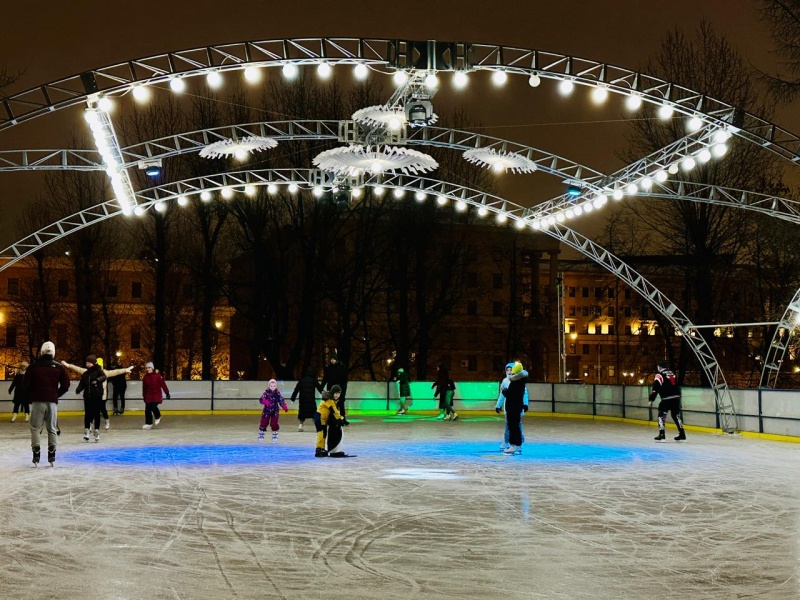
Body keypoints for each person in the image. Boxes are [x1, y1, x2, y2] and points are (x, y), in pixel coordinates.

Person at [23, 341, 70, 467]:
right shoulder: (59, 367)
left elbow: (25, 385)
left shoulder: (33, 367)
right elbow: (66, 385)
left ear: (42, 352)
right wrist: (55, 395)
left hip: (38, 401)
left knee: (35, 428)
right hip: (52, 402)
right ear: (53, 352)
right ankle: (52, 453)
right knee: (52, 429)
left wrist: (32, 396)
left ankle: (36, 452)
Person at [61, 356, 132, 430]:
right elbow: (79, 369)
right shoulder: (88, 372)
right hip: (92, 395)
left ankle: (106, 420)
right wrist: (68, 365)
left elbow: (116, 372)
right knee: (91, 409)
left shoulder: (105, 372)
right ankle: (91, 423)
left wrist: (125, 370)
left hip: (102, 395)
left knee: (102, 409)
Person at [496, 362, 529, 451]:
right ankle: (512, 442)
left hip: (513, 407)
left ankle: (513, 444)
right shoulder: (510, 380)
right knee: (512, 426)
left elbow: (514, 394)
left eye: (512, 370)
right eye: (508, 370)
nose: (510, 372)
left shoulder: (515, 381)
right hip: (514, 406)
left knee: (513, 426)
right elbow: (503, 396)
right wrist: (498, 405)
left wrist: (525, 404)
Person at [649, 362, 686, 442]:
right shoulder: (672, 373)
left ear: (659, 367)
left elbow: (656, 387)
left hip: (666, 398)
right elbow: (676, 385)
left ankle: (662, 435)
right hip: (676, 397)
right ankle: (682, 434)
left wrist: (651, 399)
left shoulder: (659, 375)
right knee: (675, 415)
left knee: (661, 415)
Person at [75, 355, 107, 443]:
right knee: (88, 414)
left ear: (93, 363)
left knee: (96, 413)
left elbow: (104, 377)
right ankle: (86, 430)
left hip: (97, 396)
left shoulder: (99, 371)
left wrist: (97, 380)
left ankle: (96, 430)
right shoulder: (85, 374)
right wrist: (79, 389)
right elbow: (82, 383)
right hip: (87, 396)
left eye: (89, 363)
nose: (87, 364)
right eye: (86, 363)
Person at [314, 387, 346, 457]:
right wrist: (340, 419)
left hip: (323, 419)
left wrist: (341, 418)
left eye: (339, 394)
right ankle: (318, 450)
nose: (337, 395)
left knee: (324, 433)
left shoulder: (332, 400)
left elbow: (335, 411)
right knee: (321, 433)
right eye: (336, 393)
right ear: (332, 393)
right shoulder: (329, 400)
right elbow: (334, 411)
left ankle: (322, 448)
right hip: (319, 418)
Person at [320, 353, 348, 424]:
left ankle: (343, 418)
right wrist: (321, 388)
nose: (332, 361)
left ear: (336, 360)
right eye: (331, 359)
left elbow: (344, 380)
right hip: (331, 389)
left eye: (333, 359)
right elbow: (325, 379)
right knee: (331, 404)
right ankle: (330, 419)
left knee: (341, 403)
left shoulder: (341, 368)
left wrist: (343, 390)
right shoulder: (328, 368)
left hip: (339, 389)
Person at [142, 362, 170, 430]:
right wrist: (144, 396)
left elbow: (163, 385)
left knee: (153, 406)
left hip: (156, 395)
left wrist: (167, 393)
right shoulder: (145, 377)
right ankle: (149, 423)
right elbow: (144, 388)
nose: (148, 369)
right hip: (148, 395)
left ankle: (158, 416)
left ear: (152, 368)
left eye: (149, 368)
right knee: (147, 409)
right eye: (147, 368)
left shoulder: (158, 376)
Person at [291, 367, 319, 431]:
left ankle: (300, 425)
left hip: (303, 400)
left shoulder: (302, 380)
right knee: (314, 414)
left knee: (302, 414)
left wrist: (293, 398)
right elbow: (319, 388)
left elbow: (296, 389)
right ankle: (317, 426)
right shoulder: (313, 380)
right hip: (311, 400)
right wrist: (325, 395)